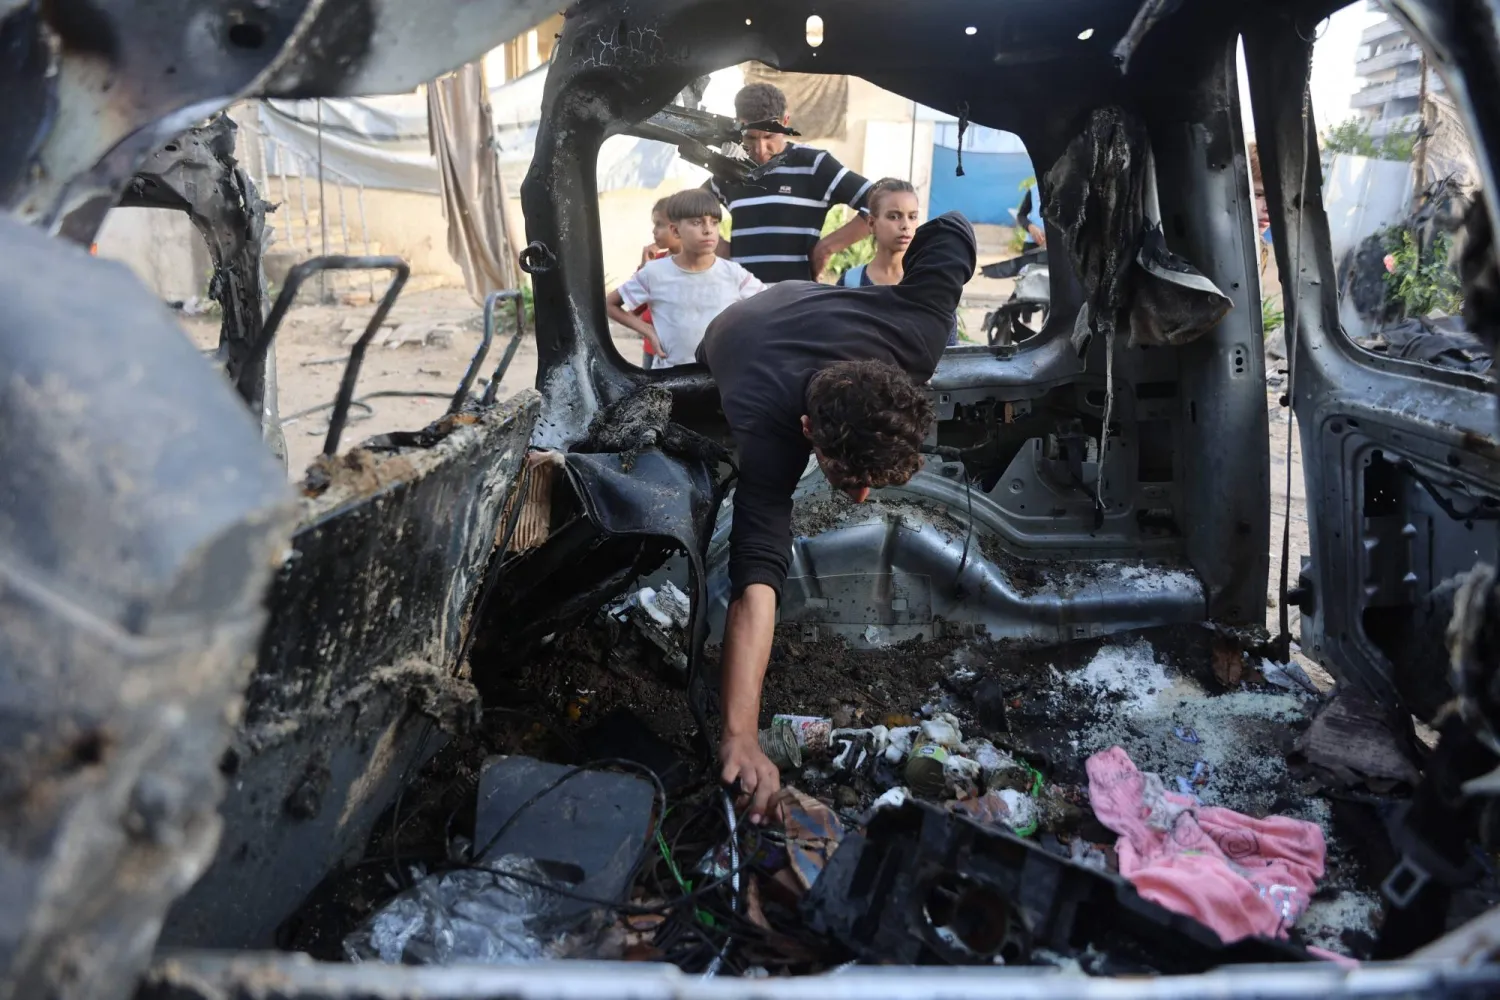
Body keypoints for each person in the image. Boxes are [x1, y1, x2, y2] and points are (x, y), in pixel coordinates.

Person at [696, 211, 977, 823]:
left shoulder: (921, 333)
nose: (858, 502)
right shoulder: (768, 428)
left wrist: (893, 259)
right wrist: (740, 733)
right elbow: (755, 582)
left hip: (807, 301)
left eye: (872, 484)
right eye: (844, 479)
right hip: (738, 328)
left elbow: (952, 228)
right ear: (806, 434)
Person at [709, 82, 874, 283]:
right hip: (744, 305)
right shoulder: (730, 168)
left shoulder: (814, 165)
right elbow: (685, 209)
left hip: (797, 304)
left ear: (785, 122)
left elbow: (879, 203)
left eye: (769, 136)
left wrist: (826, 247)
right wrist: (718, 247)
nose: (760, 149)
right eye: (750, 138)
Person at [606, 189, 765, 369]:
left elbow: (770, 306)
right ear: (675, 230)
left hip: (721, 378)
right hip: (671, 379)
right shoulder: (655, 273)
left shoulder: (734, 273)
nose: (707, 230)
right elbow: (610, 304)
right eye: (697, 222)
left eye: (714, 223)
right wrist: (648, 331)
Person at [841, 178, 961, 347]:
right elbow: (839, 346)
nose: (905, 225)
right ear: (871, 223)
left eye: (912, 217)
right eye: (894, 216)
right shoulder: (850, 283)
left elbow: (948, 354)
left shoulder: (931, 285)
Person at [636, 197, 683, 367]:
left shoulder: (694, 264)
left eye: (659, 224)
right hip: (652, 350)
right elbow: (635, 308)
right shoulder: (654, 263)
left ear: (677, 227)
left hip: (682, 351)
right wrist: (644, 268)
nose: (654, 231)